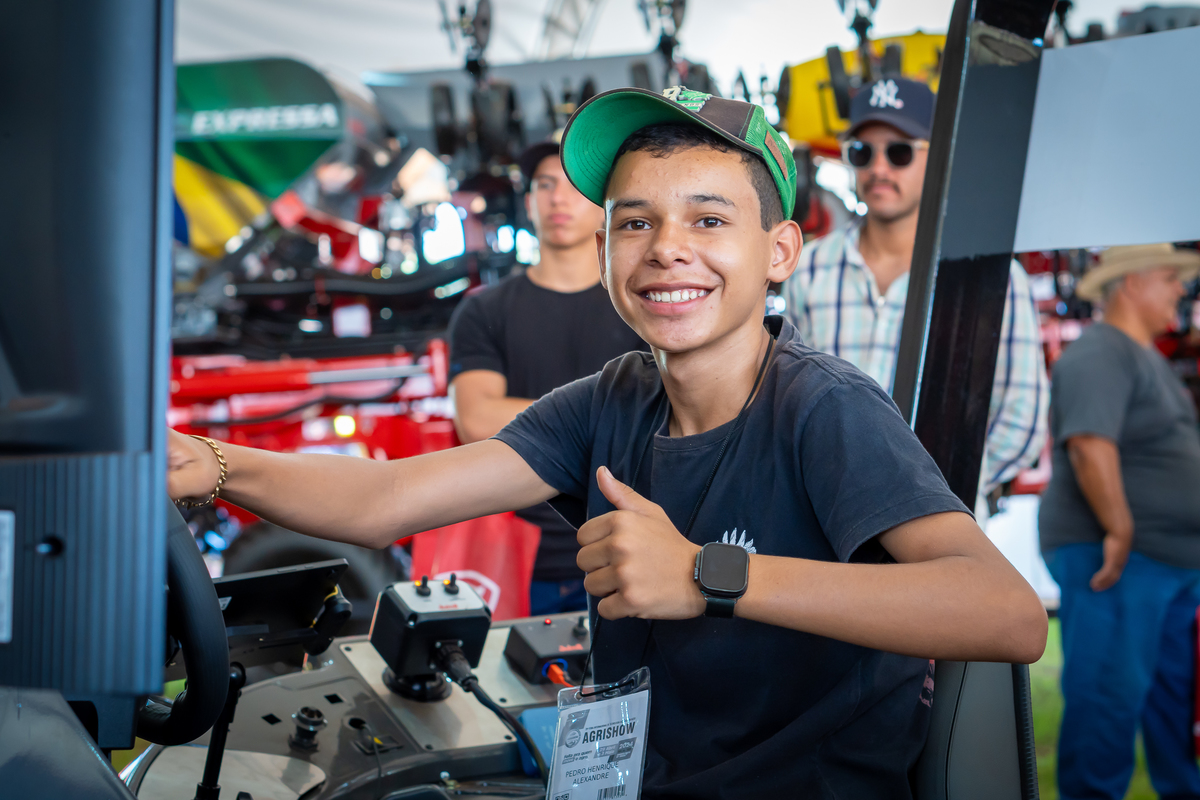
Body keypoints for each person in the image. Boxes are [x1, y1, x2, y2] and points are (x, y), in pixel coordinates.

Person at [168, 86, 1047, 798]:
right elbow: (384, 499)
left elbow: (1003, 614)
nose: (667, 249)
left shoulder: (824, 408)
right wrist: (210, 462)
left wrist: (708, 574)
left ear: (779, 251)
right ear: (603, 252)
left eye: (708, 220)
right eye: (635, 222)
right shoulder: (610, 401)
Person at [780, 77, 1048, 516]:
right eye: (863, 152)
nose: (879, 169)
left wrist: (931, 488)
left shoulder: (991, 278)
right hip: (821, 516)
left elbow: (1023, 416)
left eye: (900, 151)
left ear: (938, 156)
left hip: (940, 527)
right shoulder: (809, 266)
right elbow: (788, 393)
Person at [448, 138, 645, 615]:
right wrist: (610, 418)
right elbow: (474, 420)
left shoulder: (645, 304)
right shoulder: (484, 311)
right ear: (529, 199)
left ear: (603, 201)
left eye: (572, 185)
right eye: (544, 185)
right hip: (521, 556)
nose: (557, 198)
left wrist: (530, 422)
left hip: (634, 548)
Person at [1039, 243, 1200, 800]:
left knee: (1173, 705)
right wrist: (1120, 529)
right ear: (1131, 283)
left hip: (1164, 562)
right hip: (1121, 558)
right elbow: (1088, 445)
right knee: (1107, 700)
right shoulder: (1103, 351)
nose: (1182, 289)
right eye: (1170, 278)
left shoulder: (1140, 354)